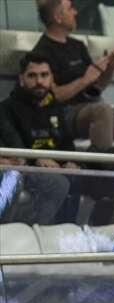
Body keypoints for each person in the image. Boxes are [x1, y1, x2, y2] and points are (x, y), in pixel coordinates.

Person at [32, 0, 114, 158]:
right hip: (63, 117)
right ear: (58, 16)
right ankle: (103, 174)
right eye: (70, 9)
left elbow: (95, 88)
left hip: (96, 114)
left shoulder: (77, 46)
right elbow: (51, 96)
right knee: (102, 109)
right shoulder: (42, 52)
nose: (75, 12)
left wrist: (108, 70)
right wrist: (85, 79)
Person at [0, 53, 71, 225]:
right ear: (21, 79)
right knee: (11, 178)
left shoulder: (57, 109)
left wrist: (70, 162)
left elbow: (68, 145)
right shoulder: (6, 108)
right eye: (32, 75)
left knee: (63, 182)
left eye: (44, 75)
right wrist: (36, 158)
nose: (39, 81)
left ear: (52, 78)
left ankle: (38, 232)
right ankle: (4, 235)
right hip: (17, 168)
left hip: (44, 171)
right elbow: (13, 144)